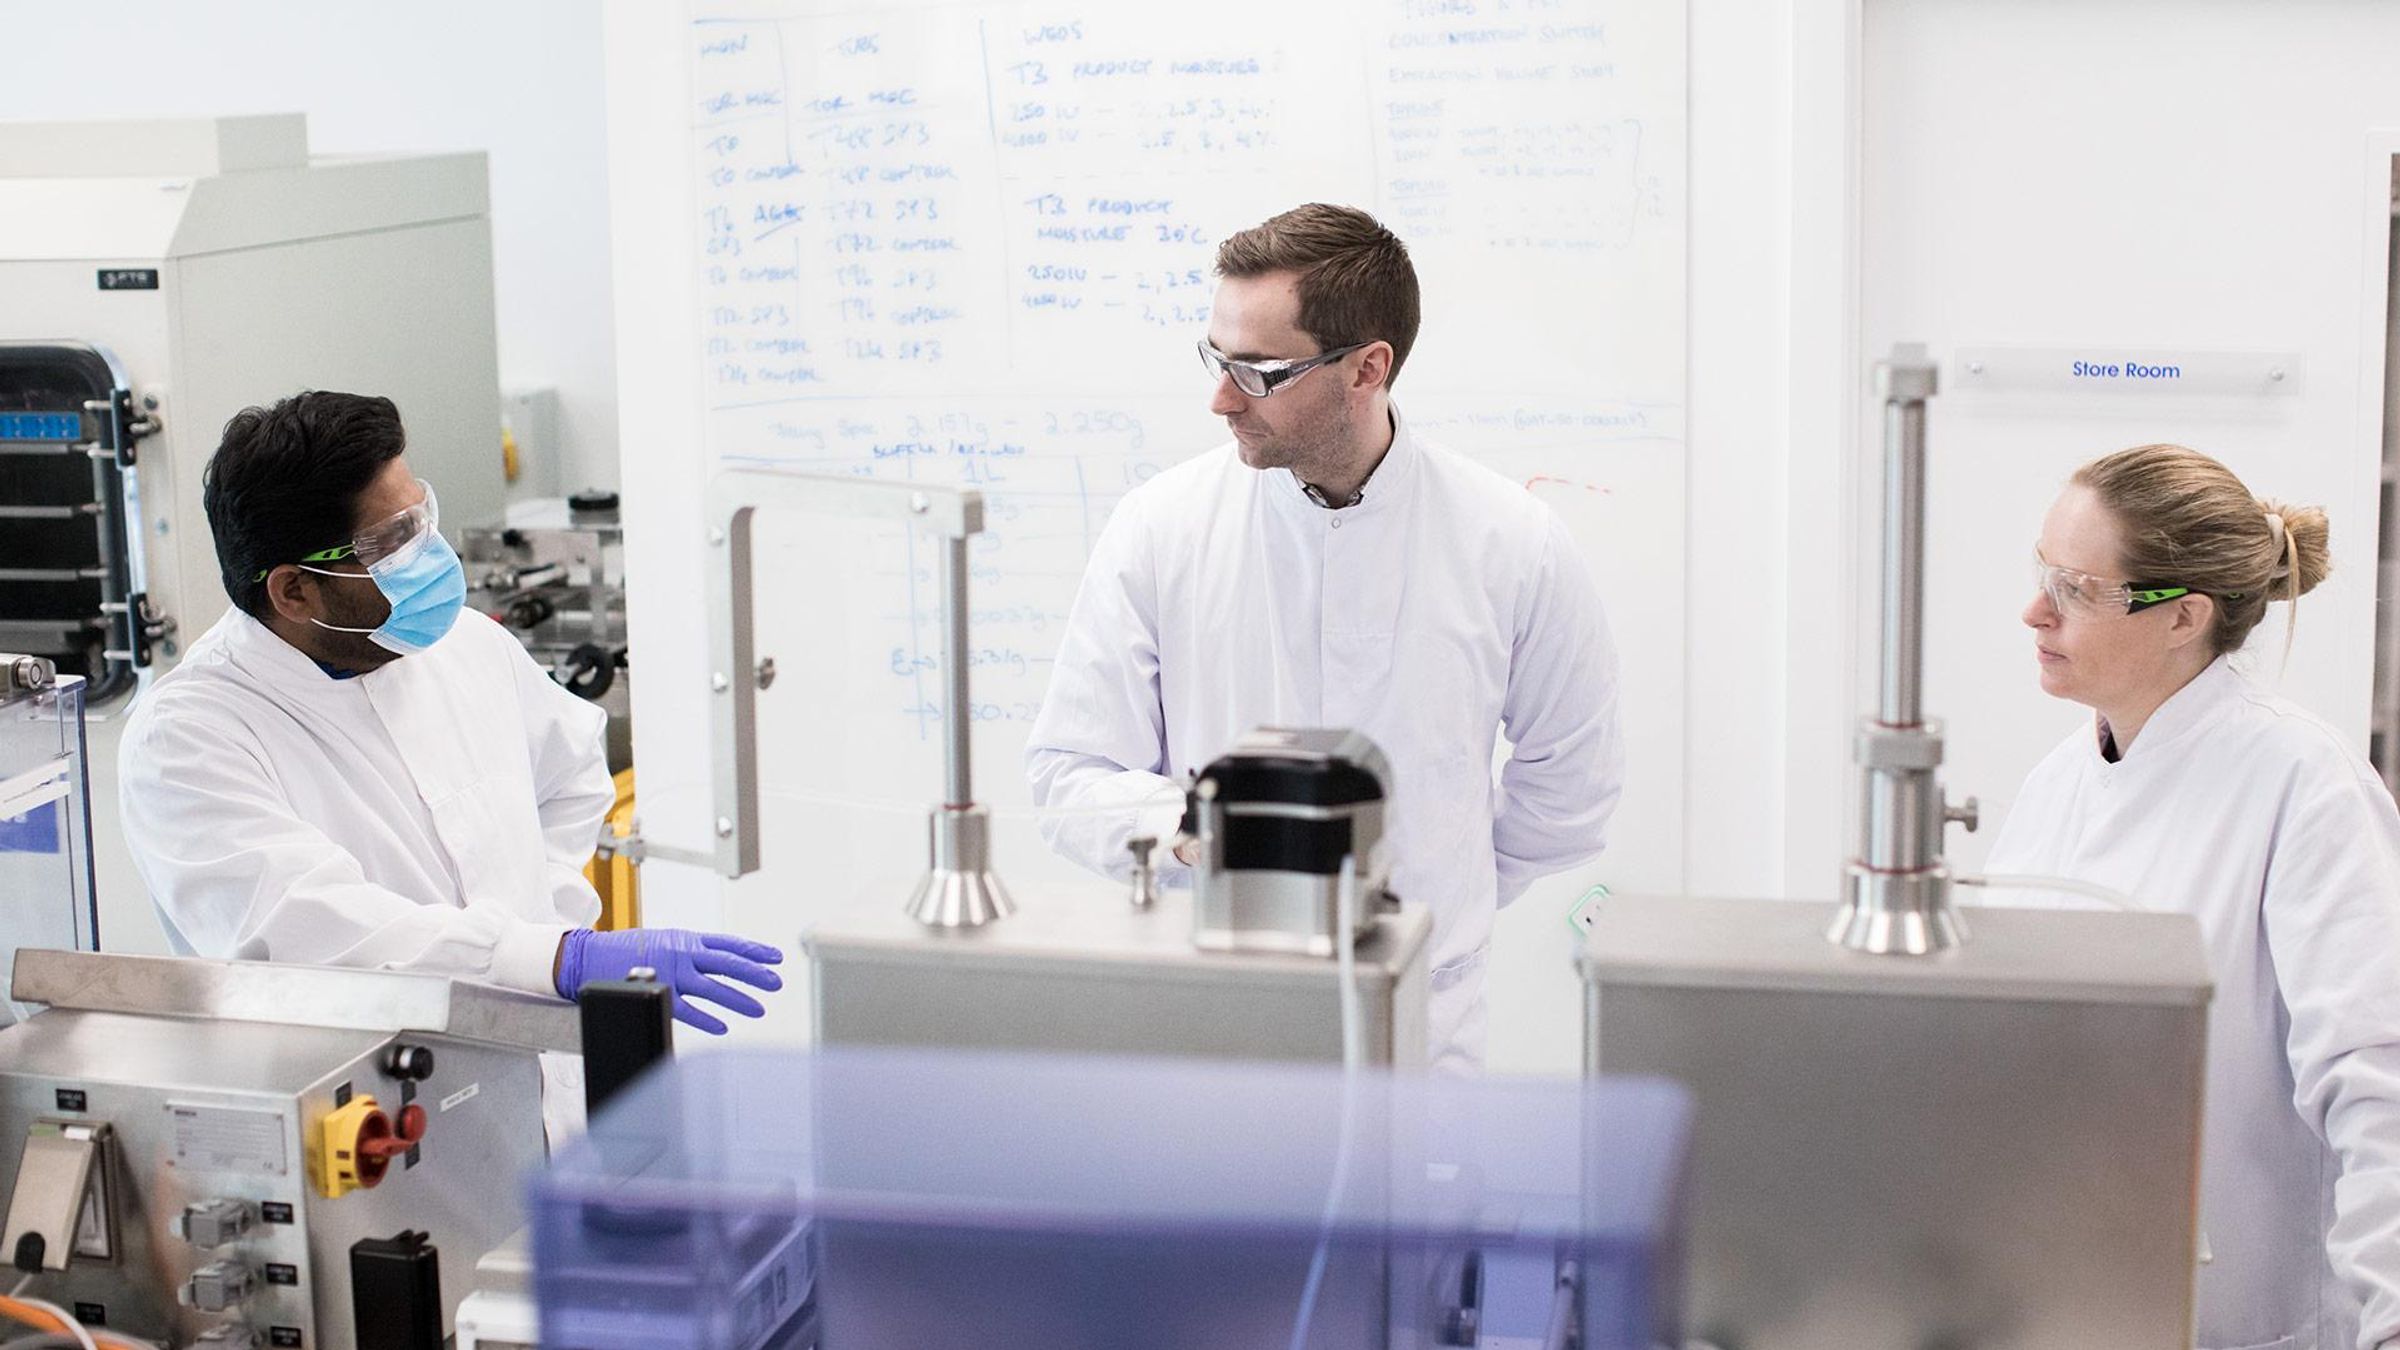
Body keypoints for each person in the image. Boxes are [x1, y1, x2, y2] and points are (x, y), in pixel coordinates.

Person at [1025, 204, 1625, 1071]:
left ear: (1367, 368)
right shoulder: (1162, 528)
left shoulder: (1512, 542)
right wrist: (1205, 833)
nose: (1221, 398)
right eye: (1216, 358)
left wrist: (1432, 893)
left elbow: (1570, 788)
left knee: (1410, 1205)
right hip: (1214, 1013)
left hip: (1421, 1018)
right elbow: (1067, 774)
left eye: (1259, 371)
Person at [118, 392, 782, 1044]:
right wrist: (550, 958)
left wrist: (540, 919)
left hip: (540, 1065)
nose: (431, 555)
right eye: (392, 542)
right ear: (294, 590)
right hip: (369, 1102)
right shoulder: (185, 741)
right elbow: (312, 932)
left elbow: (572, 773)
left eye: (421, 518)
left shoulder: (464, 643)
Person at [1986, 443, 2400, 1349]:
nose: (2034, 611)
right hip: (2070, 1304)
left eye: (2078, 589)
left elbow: (2379, 1087)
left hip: (2253, 1322)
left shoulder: (2304, 784)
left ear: (2186, 618)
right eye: (2042, 573)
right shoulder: (2060, 783)